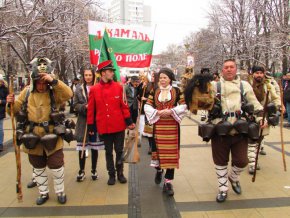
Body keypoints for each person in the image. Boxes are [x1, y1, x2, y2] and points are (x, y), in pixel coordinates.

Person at [6, 57, 73, 205]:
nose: (41, 85)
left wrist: (54, 81)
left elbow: (68, 94)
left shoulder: (54, 92)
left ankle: (60, 191)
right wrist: (10, 103)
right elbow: (15, 109)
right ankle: (43, 193)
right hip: (32, 136)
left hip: (52, 134)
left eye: (44, 81)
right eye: (39, 81)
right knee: (38, 166)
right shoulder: (26, 93)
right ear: (33, 80)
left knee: (56, 165)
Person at [198, 59, 265, 203]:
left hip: (239, 129)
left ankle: (233, 178)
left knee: (242, 161)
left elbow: (255, 103)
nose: (229, 69)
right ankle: (223, 189)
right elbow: (201, 102)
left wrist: (262, 118)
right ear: (222, 70)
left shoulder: (244, 85)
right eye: (226, 67)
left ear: (236, 69)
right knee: (220, 161)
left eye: (231, 67)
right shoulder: (214, 86)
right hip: (219, 129)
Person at [87, 60, 135, 185]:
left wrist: (129, 120)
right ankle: (111, 174)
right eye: (110, 71)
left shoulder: (118, 87)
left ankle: (120, 173)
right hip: (104, 126)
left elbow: (124, 106)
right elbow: (91, 109)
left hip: (118, 125)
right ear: (103, 73)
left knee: (119, 150)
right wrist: (91, 125)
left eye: (112, 71)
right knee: (108, 152)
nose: (112, 73)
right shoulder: (94, 89)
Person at [144, 68, 187, 196]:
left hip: (172, 127)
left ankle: (168, 182)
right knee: (157, 152)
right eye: (161, 77)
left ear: (170, 79)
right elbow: (147, 105)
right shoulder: (154, 91)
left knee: (171, 154)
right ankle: (158, 170)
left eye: (165, 78)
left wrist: (172, 111)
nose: (162, 80)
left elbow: (184, 105)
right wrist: (156, 112)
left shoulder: (177, 91)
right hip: (158, 127)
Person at [247, 66, 282, 173]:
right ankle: (252, 163)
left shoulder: (268, 86)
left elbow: (276, 98)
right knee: (251, 140)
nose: (259, 75)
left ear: (264, 74)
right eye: (256, 73)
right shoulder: (246, 85)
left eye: (261, 73)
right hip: (250, 115)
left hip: (264, 116)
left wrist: (279, 106)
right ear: (252, 74)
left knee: (259, 139)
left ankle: (254, 159)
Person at [74, 69, 104, 182]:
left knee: (94, 147)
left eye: (90, 75)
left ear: (93, 75)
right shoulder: (79, 89)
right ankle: (81, 170)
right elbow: (75, 105)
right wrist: (84, 107)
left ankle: (94, 169)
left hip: (95, 122)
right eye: (86, 75)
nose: (88, 77)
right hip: (83, 121)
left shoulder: (98, 87)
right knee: (82, 147)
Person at [0, 75, 8, 152]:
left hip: (0, 111)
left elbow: (8, 100)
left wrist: (1, 101)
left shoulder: (5, 89)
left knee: (0, 129)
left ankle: (0, 144)